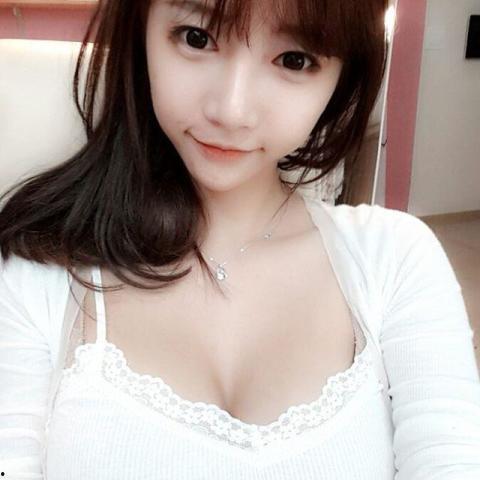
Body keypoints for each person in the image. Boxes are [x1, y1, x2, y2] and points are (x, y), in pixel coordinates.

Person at [1, 0, 479, 478]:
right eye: (197, 38)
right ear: (140, 29)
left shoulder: (394, 258)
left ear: (342, 77)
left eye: (294, 60)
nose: (232, 111)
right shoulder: (38, 269)